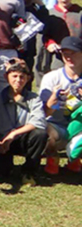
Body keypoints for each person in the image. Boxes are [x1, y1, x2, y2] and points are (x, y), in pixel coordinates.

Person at [0, 60, 48, 184]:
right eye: (14, 76)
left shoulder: (34, 98)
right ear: (6, 77)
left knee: (40, 134)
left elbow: (38, 122)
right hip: (1, 140)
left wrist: (13, 134)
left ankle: (29, 171)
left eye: (22, 77)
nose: (18, 80)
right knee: (1, 175)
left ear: (28, 79)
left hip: (22, 139)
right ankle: (2, 166)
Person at [38, 35, 82, 175]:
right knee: (40, 129)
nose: (69, 57)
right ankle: (52, 157)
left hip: (79, 127)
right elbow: (43, 114)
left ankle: (75, 158)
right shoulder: (51, 78)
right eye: (65, 53)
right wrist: (52, 102)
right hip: (56, 127)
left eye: (73, 53)